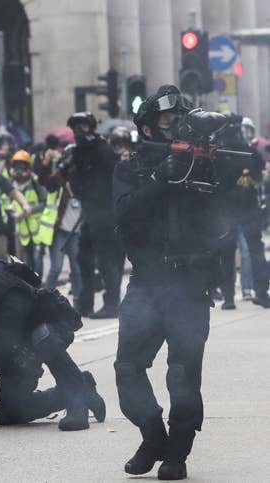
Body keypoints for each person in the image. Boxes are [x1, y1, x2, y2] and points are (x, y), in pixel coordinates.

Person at [114, 85, 226, 480]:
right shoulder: (131, 167)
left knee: (182, 373)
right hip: (146, 283)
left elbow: (225, 217)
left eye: (182, 121)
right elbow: (125, 215)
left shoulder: (203, 164)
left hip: (190, 285)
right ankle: (152, 436)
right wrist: (164, 175)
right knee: (127, 368)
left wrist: (208, 156)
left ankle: (177, 452)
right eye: (168, 122)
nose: (177, 128)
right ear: (147, 129)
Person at [0, 260, 105, 431]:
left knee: (43, 338)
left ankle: (77, 403)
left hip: (53, 325)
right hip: (19, 342)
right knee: (12, 411)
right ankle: (82, 387)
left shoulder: (10, 295)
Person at [67, 112, 125, 319]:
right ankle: (85, 304)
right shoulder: (78, 153)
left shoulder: (103, 150)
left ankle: (112, 303)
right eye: (75, 128)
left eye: (82, 127)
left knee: (107, 259)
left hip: (106, 213)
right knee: (84, 258)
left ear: (91, 128)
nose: (78, 132)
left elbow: (114, 180)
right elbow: (74, 181)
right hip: (90, 212)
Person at [214, 113, 270, 310]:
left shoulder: (219, 152)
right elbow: (260, 169)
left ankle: (228, 298)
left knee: (227, 253)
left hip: (226, 208)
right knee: (255, 250)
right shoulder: (248, 151)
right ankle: (262, 293)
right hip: (248, 206)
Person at [38, 144, 83, 305]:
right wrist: (46, 163)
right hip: (61, 231)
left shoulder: (83, 178)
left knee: (77, 268)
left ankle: (78, 300)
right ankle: (47, 300)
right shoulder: (61, 177)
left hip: (77, 231)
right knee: (55, 268)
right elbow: (44, 181)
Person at [7, 150, 48, 275]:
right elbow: (8, 204)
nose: (19, 169)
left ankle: (39, 284)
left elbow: (44, 202)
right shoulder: (11, 185)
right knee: (27, 261)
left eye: (22, 165)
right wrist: (13, 214)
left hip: (37, 229)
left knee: (37, 258)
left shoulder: (35, 181)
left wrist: (29, 210)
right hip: (22, 231)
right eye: (16, 166)